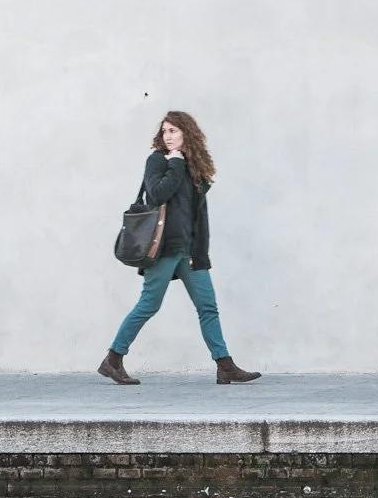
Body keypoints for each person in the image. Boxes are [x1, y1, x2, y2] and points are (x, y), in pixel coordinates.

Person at [98, 112, 261, 385]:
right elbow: (157, 194)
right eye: (164, 131)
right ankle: (113, 359)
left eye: (173, 130)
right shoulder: (159, 161)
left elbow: (196, 212)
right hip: (165, 249)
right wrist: (173, 164)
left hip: (190, 250)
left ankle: (225, 365)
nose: (168, 136)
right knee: (148, 305)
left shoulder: (194, 165)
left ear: (187, 132)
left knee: (208, 306)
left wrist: (201, 249)